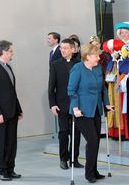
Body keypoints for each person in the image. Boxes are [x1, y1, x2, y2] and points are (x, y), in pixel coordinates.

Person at [68, 43, 113, 183]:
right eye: (96, 56)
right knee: (92, 140)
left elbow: (103, 89)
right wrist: (75, 108)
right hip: (81, 111)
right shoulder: (78, 69)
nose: (98, 58)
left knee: (95, 141)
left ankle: (94, 170)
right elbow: (71, 90)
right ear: (87, 56)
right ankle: (89, 173)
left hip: (96, 109)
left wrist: (106, 103)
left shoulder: (98, 68)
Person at [0, 40, 23, 180]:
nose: (12, 53)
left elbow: (12, 91)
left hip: (12, 111)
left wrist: (18, 109)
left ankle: (10, 169)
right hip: (0, 113)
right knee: (1, 143)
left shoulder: (8, 67)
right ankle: (1, 171)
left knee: (12, 142)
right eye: (11, 51)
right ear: (4, 52)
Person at [48, 38, 83, 170]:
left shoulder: (79, 64)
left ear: (73, 50)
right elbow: (51, 86)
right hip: (61, 104)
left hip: (77, 104)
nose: (63, 50)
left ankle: (74, 159)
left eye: (66, 48)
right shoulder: (55, 64)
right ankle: (63, 159)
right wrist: (52, 104)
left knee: (76, 132)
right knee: (63, 132)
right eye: (61, 48)